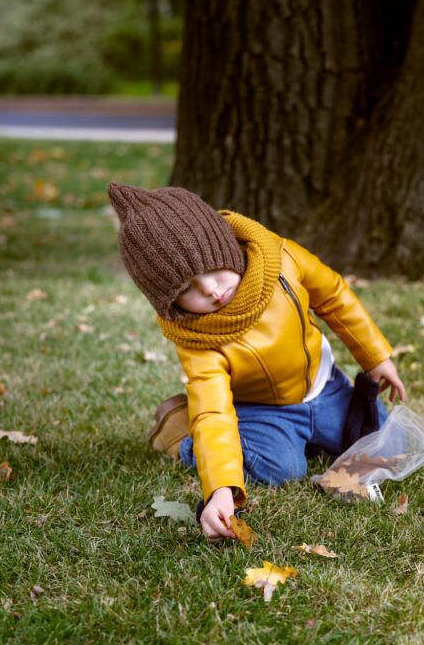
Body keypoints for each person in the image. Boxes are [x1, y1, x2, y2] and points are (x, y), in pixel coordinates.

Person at [108, 183, 406, 541]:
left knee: (385, 441)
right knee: (282, 468)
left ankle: (309, 436)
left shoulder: (280, 259)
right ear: (169, 302)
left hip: (323, 388)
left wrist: (375, 357)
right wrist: (220, 489)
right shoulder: (198, 338)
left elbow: (334, 296)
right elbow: (214, 412)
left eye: (212, 268)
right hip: (263, 410)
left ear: (226, 247)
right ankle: (180, 433)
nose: (210, 290)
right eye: (186, 290)